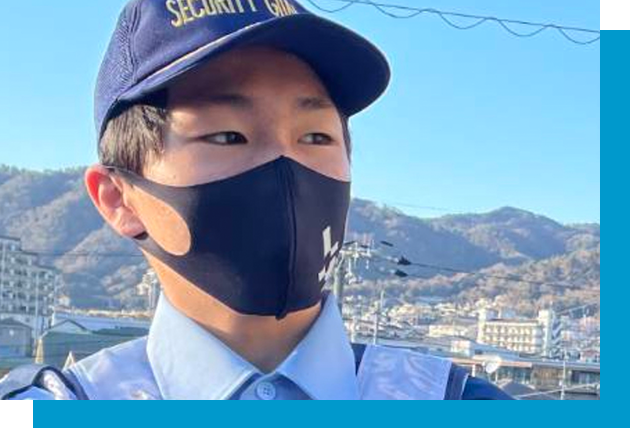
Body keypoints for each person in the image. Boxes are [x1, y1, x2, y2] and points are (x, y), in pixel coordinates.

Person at [1, 0, 512, 400]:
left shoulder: (455, 400)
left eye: (315, 137)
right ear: (118, 198)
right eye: (228, 136)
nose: (284, 165)